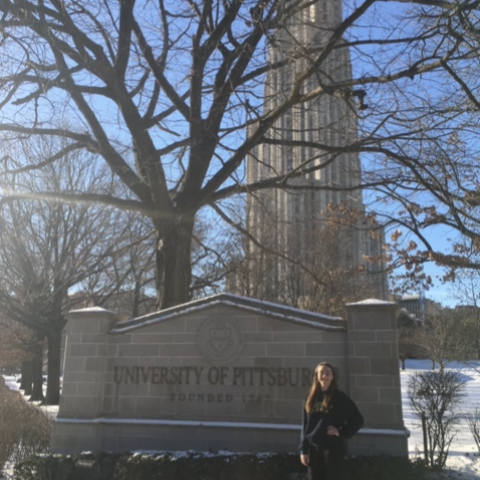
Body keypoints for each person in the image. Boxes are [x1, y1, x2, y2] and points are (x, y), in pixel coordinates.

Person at [300, 362, 364, 480]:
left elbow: (358, 420)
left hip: (332, 449)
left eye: (328, 373)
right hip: (314, 449)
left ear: (333, 377)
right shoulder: (309, 397)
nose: (324, 376)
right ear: (316, 376)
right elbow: (305, 426)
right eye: (321, 373)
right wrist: (303, 450)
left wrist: (341, 431)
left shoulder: (340, 397)